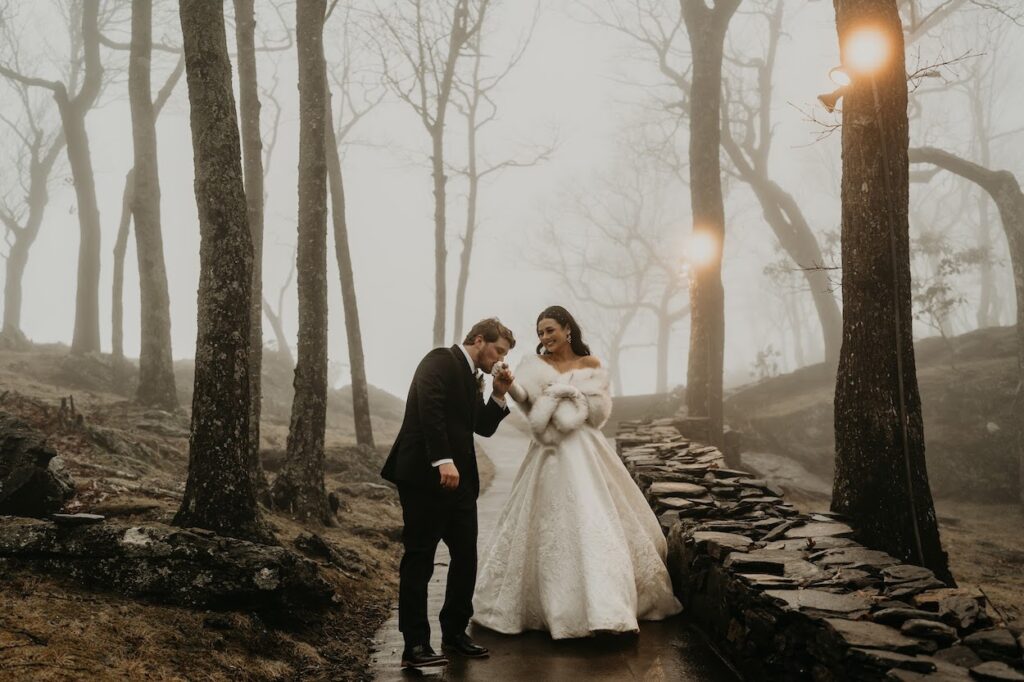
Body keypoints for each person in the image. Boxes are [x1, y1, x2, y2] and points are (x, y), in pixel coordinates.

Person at [472, 305, 681, 639]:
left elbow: (598, 414)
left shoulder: (591, 365)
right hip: (549, 450)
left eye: (550, 330)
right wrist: (509, 386)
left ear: (567, 328)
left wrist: (571, 400)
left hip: (585, 447)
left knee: (594, 517)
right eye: (540, 332)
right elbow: (527, 404)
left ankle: (608, 607)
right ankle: (557, 607)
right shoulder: (534, 364)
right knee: (550, 524)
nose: (545, 337)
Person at [381, 318, 516, 669]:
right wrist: (443, 460)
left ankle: (455, 634)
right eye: (498, 351)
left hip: (461, 485)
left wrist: (498, 393)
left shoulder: (474, 377)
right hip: (425, 478)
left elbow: (481, 427)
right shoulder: (439, 360)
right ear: (479, 340)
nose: (500, 359)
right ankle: (415, 645)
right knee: (420, 558)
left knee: (466, 558)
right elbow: (431, 410)